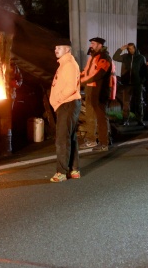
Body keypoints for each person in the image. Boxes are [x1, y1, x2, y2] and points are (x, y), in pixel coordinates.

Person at [49, 39, 82, 182]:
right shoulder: (65, 64)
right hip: (68, 104)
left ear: (67, 49)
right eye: (55, 47)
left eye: (59, 47)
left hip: (67, 104)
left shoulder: (68, 64)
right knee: (70, 138)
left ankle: (61, 172)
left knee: (62, 139)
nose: (56, 50)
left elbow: (71, 88)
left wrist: (58, 100)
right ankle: (74, 170)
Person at [80, 37, 114, 152]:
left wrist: (83, 81)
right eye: (91, 43)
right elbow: (86, 72)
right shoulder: (93, 57)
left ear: (100, 45)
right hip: (91, 89)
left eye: (93, 43)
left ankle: (104, 142)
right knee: (89, 116)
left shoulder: (104, 57)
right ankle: (91, 140)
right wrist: (78, 78)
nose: (91, 45)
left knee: (101, 117)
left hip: (99, 91)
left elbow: (99, 74)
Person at [113, 42, 148, 126]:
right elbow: (115, 57)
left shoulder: (140, 58)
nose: (130, 50)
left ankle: (140, 119)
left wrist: (142, 81)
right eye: (129, 49)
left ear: (135, 48)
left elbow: (144, 70)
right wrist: (121, 49)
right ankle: (125, 120)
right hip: (126, 84)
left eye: (132, 48)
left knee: (139, 102)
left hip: (137, 84)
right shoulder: (125, 57)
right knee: (126, 102)